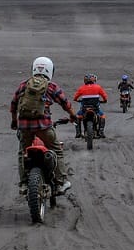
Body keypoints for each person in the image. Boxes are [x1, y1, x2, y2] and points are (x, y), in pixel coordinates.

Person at [10, 56, 77, 194]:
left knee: (23, 152)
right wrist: (73, 115)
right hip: (44, 126)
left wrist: (14, 121)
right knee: (56, 150)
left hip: (25, 127)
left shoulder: (23, 85)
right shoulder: (51, 86)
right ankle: (61, 182)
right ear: (50, 70)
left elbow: (14, 104)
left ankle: (23, 183)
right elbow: (65, 103)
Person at [73, 73, 109, 138]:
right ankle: (101, 132)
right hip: (95, 108)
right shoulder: (98, 87)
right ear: (94, 80)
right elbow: (104, 96)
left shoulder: (81, 88)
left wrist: (76, 100)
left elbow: (75, 97)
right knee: (102, 116)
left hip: (84, 109)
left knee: (77, 117)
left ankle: (78, 133)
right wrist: (104, 101)